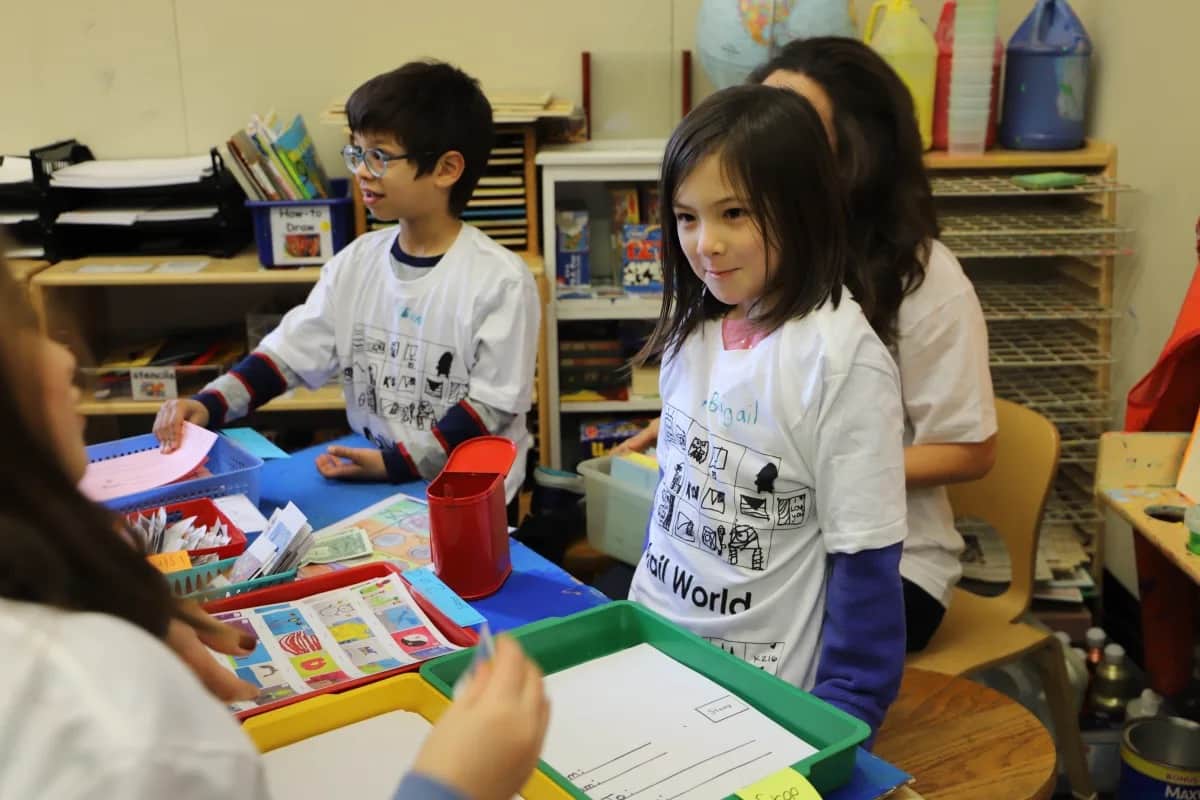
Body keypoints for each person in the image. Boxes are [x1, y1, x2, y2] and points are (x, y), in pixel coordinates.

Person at [0, 254, 548, 800]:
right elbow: (290, 352)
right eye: (23, 331)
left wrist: (126, 609)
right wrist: (453, 787)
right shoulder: (112, 724)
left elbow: (491, 405)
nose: (61, 355)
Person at [620, 38, 997, 652]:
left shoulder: (916, 282)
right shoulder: (728, 289)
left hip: (883, 559)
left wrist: (815, 469)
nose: (763, 141)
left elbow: (971, 449)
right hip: (759, 534)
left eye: (795, 126)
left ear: (851, 153)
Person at [626, 85, 907, 738]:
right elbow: (673, 513)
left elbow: (865, 560)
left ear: (802, 209)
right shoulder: (695, 334)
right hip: (654, 652)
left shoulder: (840, 358)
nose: (707, 244)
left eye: (734, 213)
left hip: (761, 701)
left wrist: (845, 718)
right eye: (687, 217)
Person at [153, 60, 540, 510]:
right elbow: (289, 354)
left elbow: (488, 413)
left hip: (468, 494)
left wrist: (396, 464)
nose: (361, 170)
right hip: (381, 477)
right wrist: (210, 404)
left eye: (379, 155)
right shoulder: (356, 263)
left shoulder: (500, 282)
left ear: (447, 168)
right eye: (356, 152)